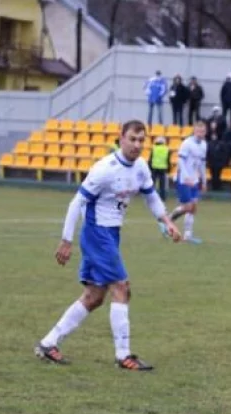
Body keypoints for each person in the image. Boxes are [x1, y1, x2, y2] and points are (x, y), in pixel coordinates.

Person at [34, 120, 182, 370]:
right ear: (121, 138)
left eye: (140, 140)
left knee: (93, 297)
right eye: (132, 139)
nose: (137, 145)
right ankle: (123, 356)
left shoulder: (141, 167)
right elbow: (76, 203)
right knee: (122, 288)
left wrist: (167, 221)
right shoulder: (105, 169)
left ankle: (49, 343)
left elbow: (151, 197)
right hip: (97, 233)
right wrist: (66, 240)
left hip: (111, 234)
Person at [162, 120, 208, 244]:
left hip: (195, 180)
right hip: (184, 179)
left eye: (202, 131)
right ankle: (168, 221)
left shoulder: (204, 145)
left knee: (193, 207)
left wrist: (204, 180)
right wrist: (187, 177)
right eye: (198, 131)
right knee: (187, 207)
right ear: (194, 131)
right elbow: (181, 161)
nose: (200, 133)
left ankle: (188, 235)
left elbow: (202, 164)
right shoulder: (187, 143)